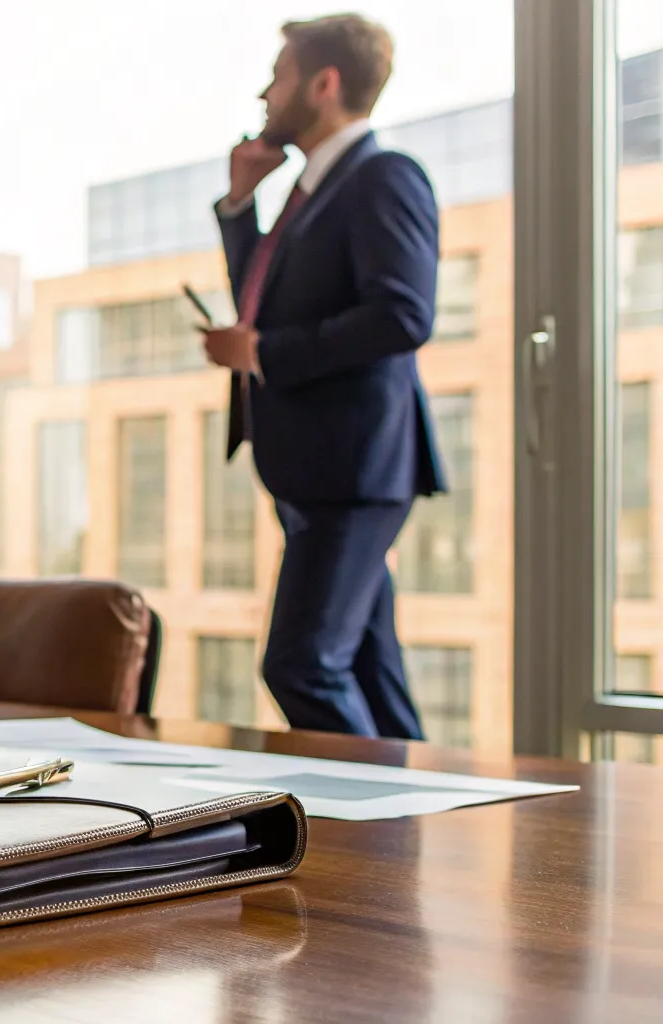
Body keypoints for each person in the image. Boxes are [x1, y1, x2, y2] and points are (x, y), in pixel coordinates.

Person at [202, 13, 445, 739]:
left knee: (301, 665)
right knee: (370, 670)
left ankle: (379, 833)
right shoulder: (310, 192)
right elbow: (260, 303)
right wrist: (241, 204)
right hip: (317, 471)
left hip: (353, 470)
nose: (265, 94)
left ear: (324, 82)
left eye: (279, 77)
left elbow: (403, 315)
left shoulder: (382, 177)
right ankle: (417, 826)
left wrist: (264, 354)